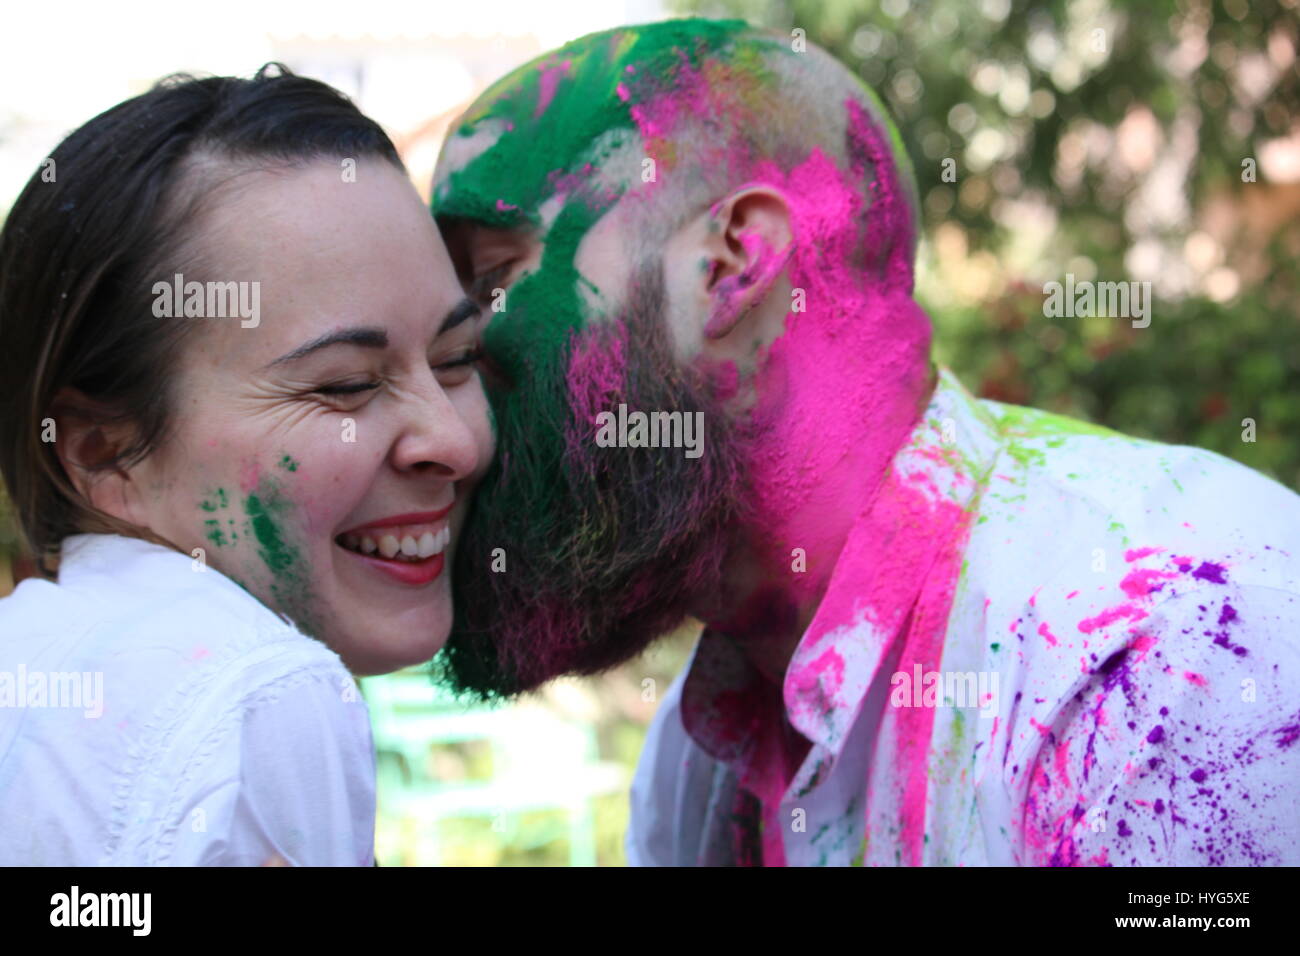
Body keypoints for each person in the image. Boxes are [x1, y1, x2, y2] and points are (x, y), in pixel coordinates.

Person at [430, 18, 1300, 865]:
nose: (447, 358)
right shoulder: (701, 745)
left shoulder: (1177, 648)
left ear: (731, 265)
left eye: (493, 278)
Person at [0, 65, 491, 865]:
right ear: (105, 451)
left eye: (458, 358)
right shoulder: (259, 692)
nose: (454, 442)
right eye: (346, 386)